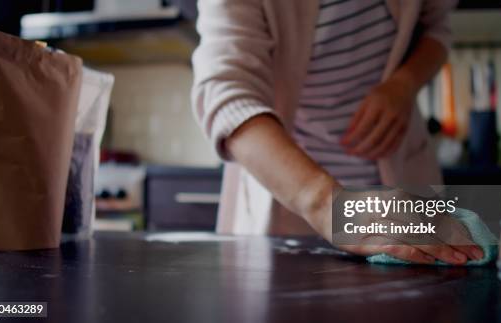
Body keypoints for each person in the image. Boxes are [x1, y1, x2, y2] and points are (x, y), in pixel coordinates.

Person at [192, 0, 482, 264]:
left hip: (404, 192)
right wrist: (327, 205)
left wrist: (404, 84)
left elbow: (436, 29)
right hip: (289, 203)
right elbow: (227, 96)